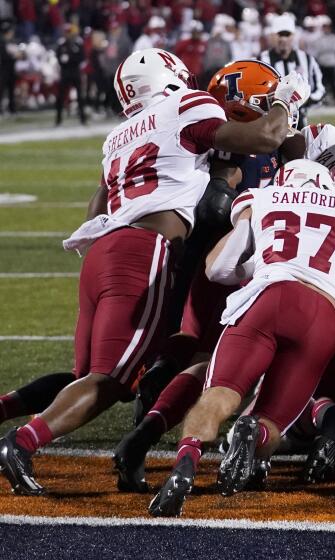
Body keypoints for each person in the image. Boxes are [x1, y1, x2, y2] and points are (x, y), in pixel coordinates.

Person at [0, 48, 310, 496]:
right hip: (145, 248)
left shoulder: (118, 135)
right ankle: (22, 442)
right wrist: (286, 99)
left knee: (87, 374)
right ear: (171, 76)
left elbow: (96, 206)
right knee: (111, 381)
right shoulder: (188, 104)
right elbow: (266, 137)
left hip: (104, 249)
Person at [147, 159, 335, 517]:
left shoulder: (262, 197)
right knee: (274, 424)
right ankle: (254, 434)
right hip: (319, 313)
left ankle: (184, 466)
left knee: (218, 396)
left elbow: (218, 269)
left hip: (267, 296)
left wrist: (254, 265)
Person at [259, 13, 325, 128]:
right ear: (272, 36)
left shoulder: (307, 59)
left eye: (287, 34)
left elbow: (320, 90)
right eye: (280, 34)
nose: (283, 39)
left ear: (293, 35)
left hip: (299, 123)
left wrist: (303, 100)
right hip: (269, 122)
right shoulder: (262, 60)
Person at [54, 23, 87, 126]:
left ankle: (83, 118)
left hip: (75, 72)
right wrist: (69, 60)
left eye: (69, 32)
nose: (68, 34)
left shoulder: (77, 43)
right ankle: (58, 119)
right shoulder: (61, 44)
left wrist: (70, 59)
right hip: (65, 73)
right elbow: (59, 58)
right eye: (66, 32)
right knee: (61, 97)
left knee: (80, 97)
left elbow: (82, 57)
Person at [310, 18, 335, 105]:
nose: (326, 29)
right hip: (323, 63)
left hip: (332, 63)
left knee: (334, 82)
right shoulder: (319, 39)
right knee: (324, 83)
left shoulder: (334, 37)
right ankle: (325, 99)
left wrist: (325, 49)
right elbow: (318, 49)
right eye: (325, 28)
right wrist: (327, 49)